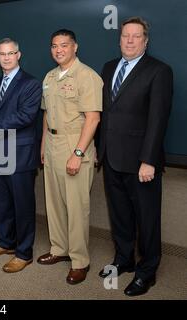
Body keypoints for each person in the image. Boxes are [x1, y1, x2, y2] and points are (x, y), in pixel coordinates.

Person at [97, 17, 173, 296]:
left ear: (145, 40)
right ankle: (123, 259)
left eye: (136, 36)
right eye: (125, 35)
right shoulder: (107, 68)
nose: (129, 40)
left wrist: (149, 160)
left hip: (142, 163)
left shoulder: (159, 71)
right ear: (119, 39)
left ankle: (147, 271)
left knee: (147, 219)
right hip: (111, 157)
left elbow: (158, 120)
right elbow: (105, 113)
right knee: (120, 216)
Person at [37, 30, 102, 285]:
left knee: (76, 207)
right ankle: (59, 249)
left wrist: (78, 153)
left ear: (75, 47)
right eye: (54, 46)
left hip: (75, 143)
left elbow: (93, 118)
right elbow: (46, 114)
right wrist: (43, 144)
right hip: (52, 143)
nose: (58, 50)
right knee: (54, 202)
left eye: (64, 45)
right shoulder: (50, 77)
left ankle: (79, 260)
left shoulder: (87, 76)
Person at [0, 38, 41, 273]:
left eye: (11, 53)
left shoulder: (31, 83)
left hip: (20, 153)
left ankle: (23, 253)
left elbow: (25, 117)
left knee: (22, 205)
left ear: (19, 55)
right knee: (2, 203)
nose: (6, 57)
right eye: (2, 54)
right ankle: (5, 242)